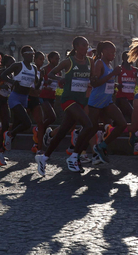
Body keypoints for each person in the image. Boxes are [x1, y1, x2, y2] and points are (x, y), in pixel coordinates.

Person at [35, 37, 96, 176]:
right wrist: (59, 79)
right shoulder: (68, 62)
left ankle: (43, 158)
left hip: (81, 100)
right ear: (75, 47)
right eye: (83, 45)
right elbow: (50, 73)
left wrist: (95, 80)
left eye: (87, 45)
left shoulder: (89, 61)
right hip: (68, 100)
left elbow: (92, 78)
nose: (86, 48)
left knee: (63, 130)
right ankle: (74, 157)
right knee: (88, 125)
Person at [0, 46, 41, 166]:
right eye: (29, 53)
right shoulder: (18, 65)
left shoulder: (34, 68)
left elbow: (36, 86)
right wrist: (13, 82)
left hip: (25, 99)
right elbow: (3, 75)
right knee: (27, 123)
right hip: (15, 98)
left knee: (17, 127)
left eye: (33, 53)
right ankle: (8, 134)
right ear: (23, 54)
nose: (32, 55)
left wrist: (41, 78)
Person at [87, 41, 127, 165]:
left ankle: (102, 146)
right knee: (90, 129)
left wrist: (114, 86)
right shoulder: (99, 63)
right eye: (110, 52)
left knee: (122, 124)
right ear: (103, 51)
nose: (113, 54)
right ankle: (76, 152)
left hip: (107, 102)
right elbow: (94, 83)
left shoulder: (109, 65)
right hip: (96, 102)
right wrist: (113, 74)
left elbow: (106, 82)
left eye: (114, 52)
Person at [37, 51, 60, 150]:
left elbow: (59, 84)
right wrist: (47, 82)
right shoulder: (45, 69)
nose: (57, 60)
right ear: (50, 59)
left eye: (58, 58)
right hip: (43, 96)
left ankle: (38, 143)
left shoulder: (58, 71)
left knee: (47, 118)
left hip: (52, 96)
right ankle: (38, 129)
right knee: (52, 117)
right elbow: (39, 82)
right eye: (55, 58)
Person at [114, 53, 138, 121]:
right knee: (132, 115)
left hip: (131, 97)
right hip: (121, 98)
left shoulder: (135, 70)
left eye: (132, 57)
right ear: (123, 59)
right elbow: (110, 79)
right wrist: (116, 85)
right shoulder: (119, 69)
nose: (131, 59)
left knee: (126, 119)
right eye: (128, 57)